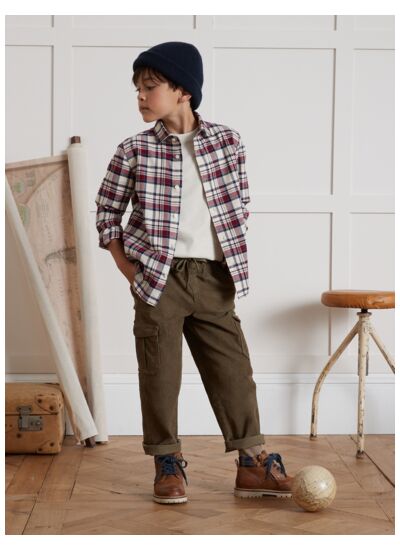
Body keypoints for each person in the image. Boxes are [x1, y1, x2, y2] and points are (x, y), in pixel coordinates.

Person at [95, 41, 293, 504]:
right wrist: (127, 268)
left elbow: (240, 203)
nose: (141, 96)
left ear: (183, 90)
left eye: (150, 87)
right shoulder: (134, 149)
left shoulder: (228, 141)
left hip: (215, 277)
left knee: (233, 371)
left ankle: (252, 464)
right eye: (137, 89)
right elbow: (107, 212)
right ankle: (167, 463)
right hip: (158, 277)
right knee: (160, 374)